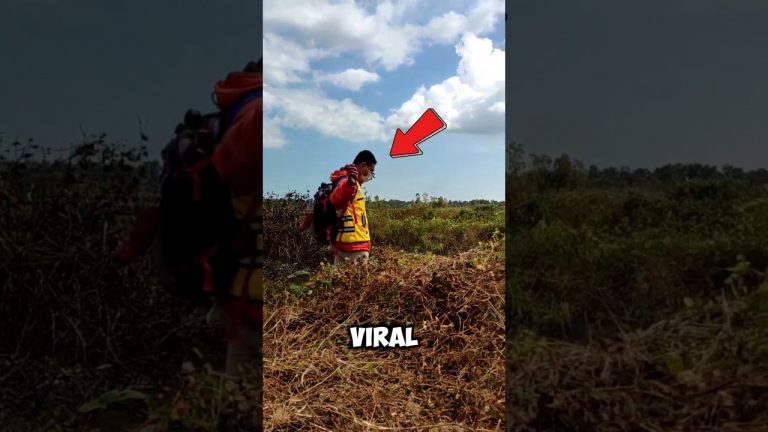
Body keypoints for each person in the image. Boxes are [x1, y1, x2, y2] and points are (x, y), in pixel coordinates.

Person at [329, 150, 377, 266]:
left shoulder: (351, 183)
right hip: (355, 246)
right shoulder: (348, 182)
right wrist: (349, 184)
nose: (372, 175)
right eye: (371, 171)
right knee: (358, 283)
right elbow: (337, 199)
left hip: (342, 244)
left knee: (338, 283)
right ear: (363, 166)